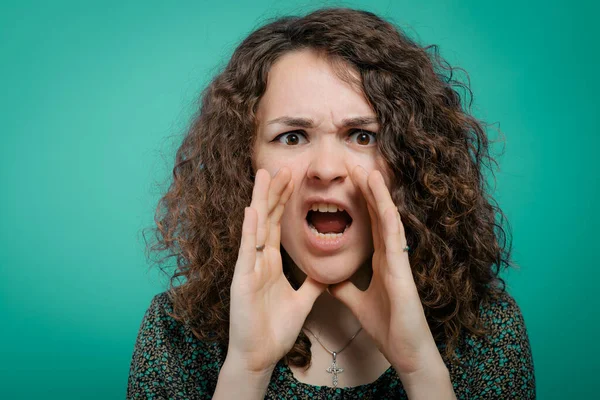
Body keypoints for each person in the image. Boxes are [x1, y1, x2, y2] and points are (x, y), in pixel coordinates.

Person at [127, 7, 535, 399]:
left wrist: (420, 370)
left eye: (362, 135)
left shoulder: (487, 331)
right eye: (292, 136)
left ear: (411, 160)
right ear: (245, 163)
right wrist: (246, 371)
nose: (325, 169)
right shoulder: (175, 333)